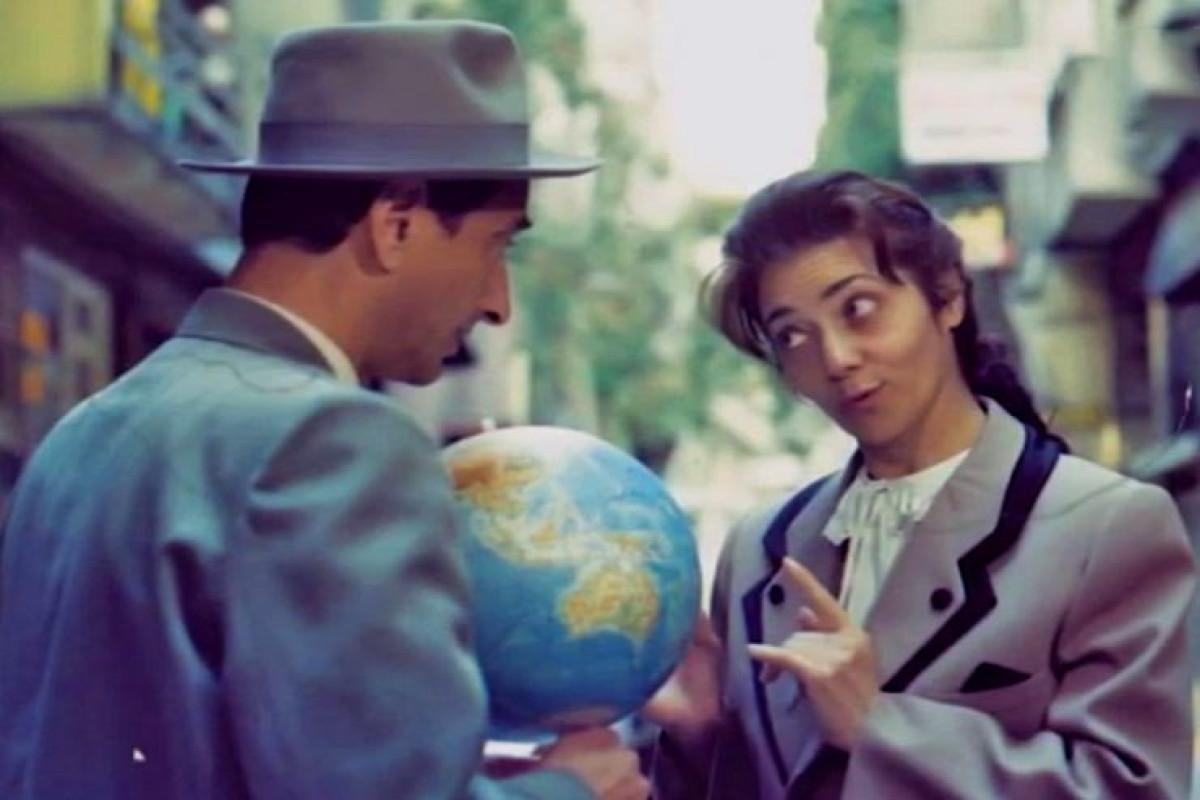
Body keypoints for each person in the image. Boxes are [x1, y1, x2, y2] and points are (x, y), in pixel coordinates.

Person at [0, 21, 649, 800]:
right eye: (496, 244)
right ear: (396, 220)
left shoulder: (85, 430)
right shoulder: (333, 442)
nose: (497, 302)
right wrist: (575, 791)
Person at [644, 170, 1196, 798]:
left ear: (948, 295)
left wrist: (881, 728)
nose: (836, 357)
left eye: (858, 309)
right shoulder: (756, 550)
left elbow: (1134, 788)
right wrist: (703, 739)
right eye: (793, 335)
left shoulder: (1108, 525)